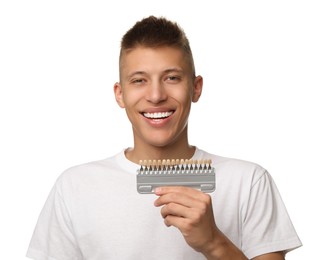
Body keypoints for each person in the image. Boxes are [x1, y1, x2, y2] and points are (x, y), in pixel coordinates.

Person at [26, 16, 302, 260]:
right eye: (139, 80)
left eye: (171, 78)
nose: (156, 95)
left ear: (196, 88)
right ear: (119, 94)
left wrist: (214, 243)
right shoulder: (74, 186)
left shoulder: (248, 181)